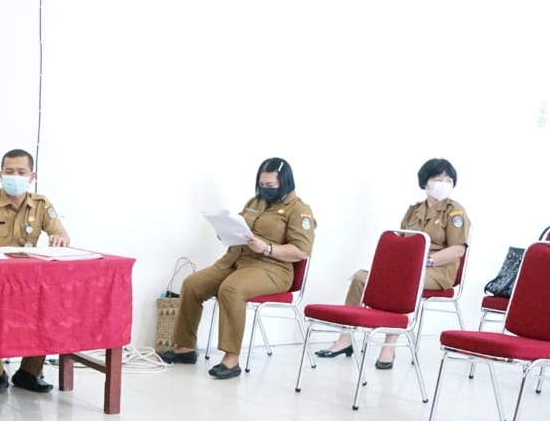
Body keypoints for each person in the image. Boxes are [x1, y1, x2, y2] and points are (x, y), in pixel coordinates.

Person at [160, 158, 316, 380]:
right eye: (262, 184)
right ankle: (185, 348)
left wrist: (267, 248)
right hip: (234, 260)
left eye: (271, 185)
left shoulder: (299, 210)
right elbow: (241, 228)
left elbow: (301, 251)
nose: (265, 189)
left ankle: (231, 359)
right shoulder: (255, 202)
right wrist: (225, 231)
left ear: (285, 182)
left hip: (272, 268)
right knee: (192, 284)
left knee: (231, 289)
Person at [315, 158, 469, 369]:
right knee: (361, 278)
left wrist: (427, 261)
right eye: (438, 179)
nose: (443, 184)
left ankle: (389, 345)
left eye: (448, 180)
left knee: (402, 284)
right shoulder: (414, 211)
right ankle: (345, 338)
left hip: (438, 271)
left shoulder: (455, 212)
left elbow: (458, 249)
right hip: (407, 269)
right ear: (425, 182)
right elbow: (401, 242)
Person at [0, 148, 70, 394]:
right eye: (9, 172)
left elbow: (61, 233)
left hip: (29, 279)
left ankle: (28, 373)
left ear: (32, 176)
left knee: (49, 308)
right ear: (0, 174)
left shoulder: (41, 204)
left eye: (21, 172)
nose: (15, 177)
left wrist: (60, 238)